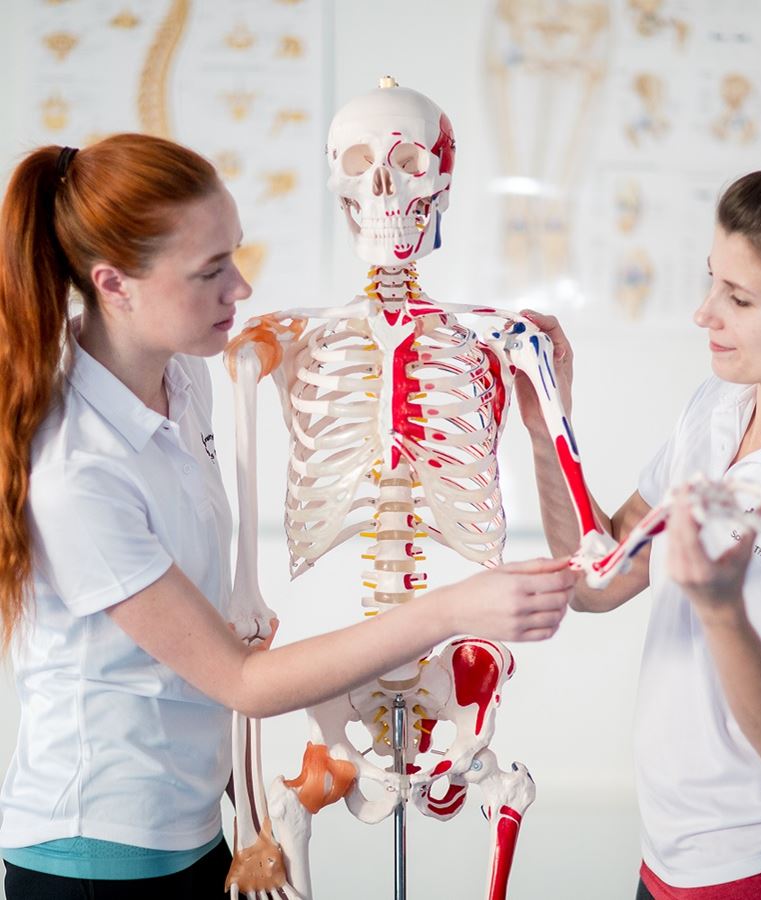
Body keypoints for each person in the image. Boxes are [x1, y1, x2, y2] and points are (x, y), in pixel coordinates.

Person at [0, 133, 574, 900]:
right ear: (114, 283)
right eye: (209, 273)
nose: (239, 290)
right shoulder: (78, 471)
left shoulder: (183, 381)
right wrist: (454, 608)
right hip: (101, 849)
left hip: (190, 822)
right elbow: (241, 679)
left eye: (235, 255)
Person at [518, 164, 761, 899]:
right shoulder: (716, 408)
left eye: (739, 298)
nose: (703, 313)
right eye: (710, 281)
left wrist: (721, 609)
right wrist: (546, 425)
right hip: (668, 860)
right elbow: (598, 580)